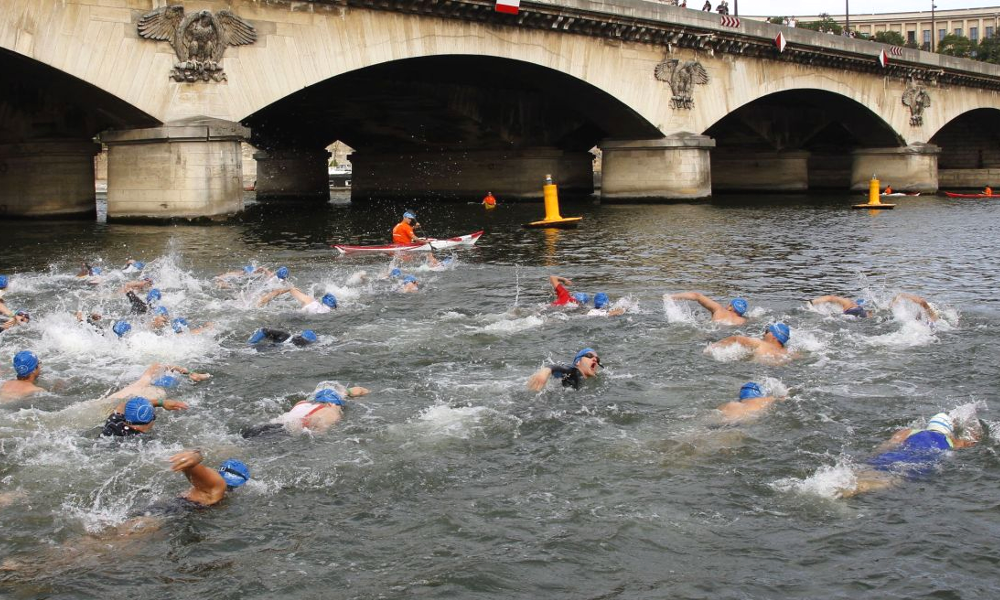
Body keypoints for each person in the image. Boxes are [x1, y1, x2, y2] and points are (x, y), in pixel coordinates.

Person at [839, 412, 981, 498]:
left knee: (861, 473)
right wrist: (972, 421)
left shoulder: (909, 432)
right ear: (948, 431)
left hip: (888, 458)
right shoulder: (954, 442)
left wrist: (874, 456)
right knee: (882, 482)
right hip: (914, 462)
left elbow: (886, 446)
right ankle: (847, 494)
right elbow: (975, 440)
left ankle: (838, 487)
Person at [242, 384, 371, 438]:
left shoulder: (302, 403)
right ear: (334, 403)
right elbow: (317, 436)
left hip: (267, 426)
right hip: (283, 433)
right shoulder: (331, 412)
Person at [100, 396, 189, 437]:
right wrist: (160, 402)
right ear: (149, 422)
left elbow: (125, 405)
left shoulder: (114, 420)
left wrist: (162, 402)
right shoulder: (141, 441)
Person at [526, 347, 602, 391]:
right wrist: (545, 372)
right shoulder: (573, 371)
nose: (595, 359)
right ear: (578, 362)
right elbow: (557, 368)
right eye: (589, 356)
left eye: (597, 359)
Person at [709, 323, 791, 362]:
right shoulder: (788, 353)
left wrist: (713, 346)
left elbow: (736, 338)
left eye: (767, 331)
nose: (763, 334)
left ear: (774, 336)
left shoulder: (760, 344)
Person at [716, 382, 783, 422]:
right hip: (741, 423)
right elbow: (784, 399)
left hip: (720, 423)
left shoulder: (727, 405)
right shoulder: (764, 400)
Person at [668, 292, 748, 325]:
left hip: (712, 330)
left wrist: (671, 297)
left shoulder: (719, 310)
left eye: (728, 304)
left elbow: (696, 296)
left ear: (730, 307)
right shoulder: (743, 321)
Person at [257, 287, 338, 314]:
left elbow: (291, 290)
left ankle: (260, 302)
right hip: (302, 317)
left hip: (301, 311)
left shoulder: (311, 301)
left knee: (291, 289)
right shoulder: (331, 312)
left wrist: (290, 289)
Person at [248, 328, 318, 348]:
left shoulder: (286, 336)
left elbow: (264, 331)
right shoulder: (284, 336)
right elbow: (263, 330)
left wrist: (251, 344)